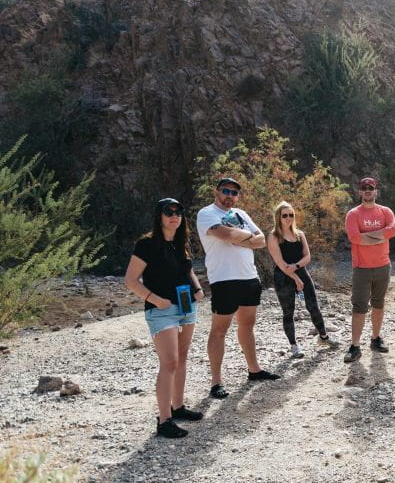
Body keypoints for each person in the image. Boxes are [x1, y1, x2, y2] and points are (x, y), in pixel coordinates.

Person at [124, 198, 205, 438]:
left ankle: (177, 407)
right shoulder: (146, 244)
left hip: (187, 307)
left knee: (182, 358)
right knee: (169, 362)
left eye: (178, 212)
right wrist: (156, 299)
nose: (174, 216)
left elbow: (188, 269)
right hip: (161, 310)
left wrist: (198, 289)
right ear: (158, 216)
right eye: (168, 212)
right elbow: (130, 280)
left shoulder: (180, 242)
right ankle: (164, 420)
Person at [196, 177, 279, 399]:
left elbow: (262, 240)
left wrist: (239, 238)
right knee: (219, 330)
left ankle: (254, 370)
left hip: (249, 277)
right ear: (216, 191)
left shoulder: (241, 214)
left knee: (247, 324)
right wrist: (244, 238)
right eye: (226, 191)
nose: (229, 196)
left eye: (234, 193)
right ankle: (216, 382)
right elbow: (225, 234)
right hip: (224, 279)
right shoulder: (207, 214)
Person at [266, 201, 337, 358]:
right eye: (285, 215)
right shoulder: (273, 236)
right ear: (278, 217)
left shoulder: (300, 234)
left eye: (291, 215)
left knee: (313, 307)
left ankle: (324, 337)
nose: (288, 218)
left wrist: (297, 266)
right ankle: (294, 346)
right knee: (288, 312)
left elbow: (308, 257)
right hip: (282, 277)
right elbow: (280, 263)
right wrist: (295, 278)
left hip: (302, 272)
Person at [343, 177, 395, 363]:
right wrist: (379, 236)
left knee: (379, 304)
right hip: (362, 268)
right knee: (359, 307)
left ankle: (375, 338)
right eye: (364, 188)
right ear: (359, 192)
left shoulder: (385, 211)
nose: (367, 190)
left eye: (370, 188)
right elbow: (354, 237)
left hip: (383, 266)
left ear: (376, 191)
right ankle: (355, 346)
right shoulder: (353, 214)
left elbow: (392, 230)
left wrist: (368, 236)